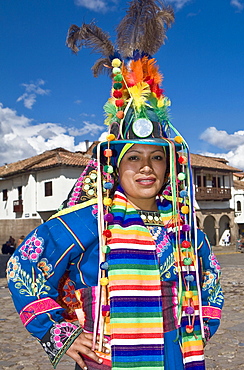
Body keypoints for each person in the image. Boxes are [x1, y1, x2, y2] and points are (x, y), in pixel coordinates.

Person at [7, 1, 224, 369]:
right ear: (115, 167)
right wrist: (59, 331)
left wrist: (200, 324)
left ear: (170, 167)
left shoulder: (184, 228)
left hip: (176, 359)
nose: (146, 168)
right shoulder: (89, 221)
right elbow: (22, 268)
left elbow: (211, 277)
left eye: (157, 157)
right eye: (133, 158)